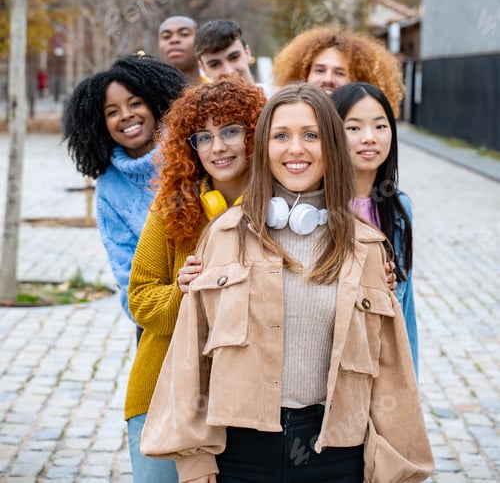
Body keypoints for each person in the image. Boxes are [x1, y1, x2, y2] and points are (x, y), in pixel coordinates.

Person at [141, 83, 434, 483]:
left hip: (336, 456)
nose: (295, 149)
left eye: (310, 135)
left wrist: (396, 469)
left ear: (331, 146)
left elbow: (392, 373)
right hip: (239, 454)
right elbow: (192, 359)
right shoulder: (224, 235)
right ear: (264, 147)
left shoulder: (367, 247)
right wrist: (195, 462)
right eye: (281, 136)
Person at [125, 79, 267, 483]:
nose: (217, 147)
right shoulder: (170, 208)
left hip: (244, 400)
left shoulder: (283, 213)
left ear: (256, 133)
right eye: (203, 137)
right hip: (162, 394)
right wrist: (184, 294)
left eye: (230, 131)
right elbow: (141, 300)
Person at [62, 53, 187, 325]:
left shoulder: (191, 153)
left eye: (135, 103)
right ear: (100, 124)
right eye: (112, 112)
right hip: (158, 317)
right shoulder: (109, 185)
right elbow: (126, 271)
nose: (126, 115)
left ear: (155, 104)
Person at [331, 82, 418, 374]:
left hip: (381, 363)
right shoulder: (316, 208)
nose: (369, 138)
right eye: (353, 128)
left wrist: (408, 381)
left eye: (380, 127)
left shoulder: (398, 208)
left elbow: (405, 309)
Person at [272, 25, 404, 116]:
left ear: (358, 80)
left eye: (340, 73)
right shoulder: (285, 118)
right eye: (320, 70)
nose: (328, 79)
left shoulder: (364, 133)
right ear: (304, 74)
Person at [194, 18, 274, 96]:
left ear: (247, 53)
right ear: (203, 68)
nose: (228, 72)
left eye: (234, 58)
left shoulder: (278, 99)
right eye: (215, 64)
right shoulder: (200, 109)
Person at [158, 15, 204, 84]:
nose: (174, 40)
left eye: (184, 34)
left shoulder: (219, 89)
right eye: (166, 36)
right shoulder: (146, 93)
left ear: (201, 40)